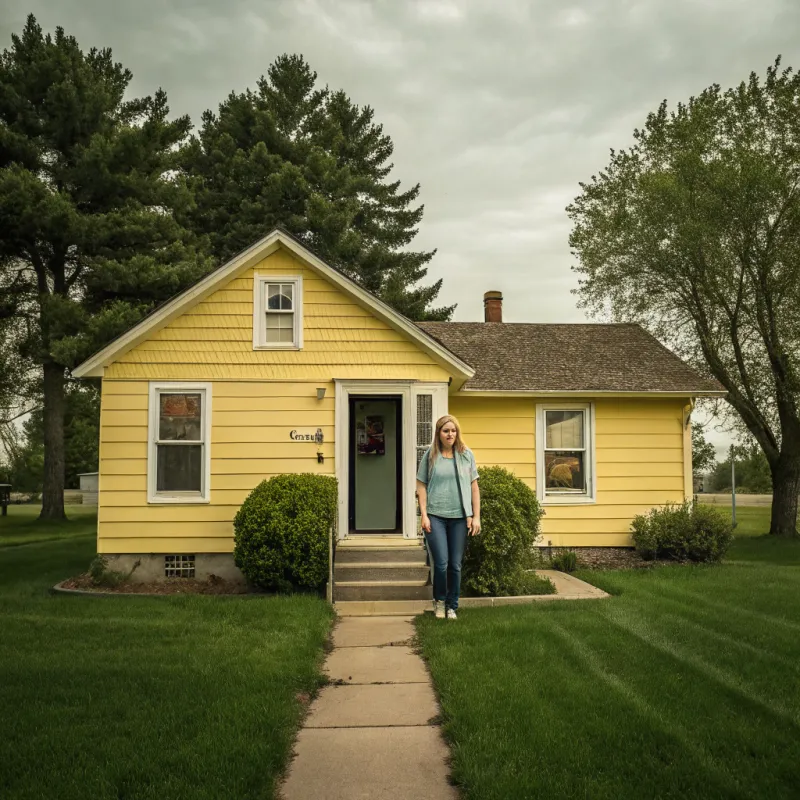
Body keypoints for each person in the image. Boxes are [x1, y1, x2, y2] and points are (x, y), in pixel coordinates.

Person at [416, 414, 481, 620]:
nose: (450, 434)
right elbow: (421, 485)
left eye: (453, 430)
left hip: (460, 518)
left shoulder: (466, 454)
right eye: (446, 431)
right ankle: (440, 602)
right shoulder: (431, 455)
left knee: (455, 564)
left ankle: (452, 605)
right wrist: (424, 515)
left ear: (457, 432)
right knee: (441, 563)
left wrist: (475, 516)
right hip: (435, 516)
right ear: (439, 433)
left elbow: (474, 488)